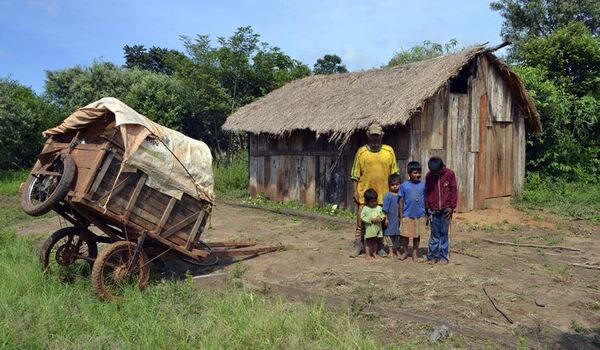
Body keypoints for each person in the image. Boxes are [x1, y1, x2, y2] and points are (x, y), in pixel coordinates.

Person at [350, 123, 399, 257]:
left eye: (377, 136)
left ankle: (380, 246)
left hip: (383, 194)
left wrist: (394, 194)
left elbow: (394, 174)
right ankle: (358, 244)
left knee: (382, 222)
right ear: (368, 135)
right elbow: (355, 174)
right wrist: (355, 191)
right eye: (373, 136)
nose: (375, 139)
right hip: (365, 194)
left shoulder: (388, 151)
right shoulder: (362, 152)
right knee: (361, 221)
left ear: (382, 135)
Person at [424, 157, 457, 265]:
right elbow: (427, 192)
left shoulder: (450, 174)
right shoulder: (429, 176)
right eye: (433, 172)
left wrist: (452, 207)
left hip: (446, 209)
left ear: (442, 167)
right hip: (433, 210)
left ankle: (443, 256)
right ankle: (432, 256)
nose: (435, 174)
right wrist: (427, 207)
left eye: (437, 172)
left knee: (444, 233)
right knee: (434, 235)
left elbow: (453, 190)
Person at [398, 161, 426, 262]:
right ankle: (405, 252)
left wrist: (425, 213)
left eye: (419, 172)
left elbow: (425, 199)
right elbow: (401, 200)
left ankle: (415, 253)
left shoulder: (423, 185)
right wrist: (401, 214)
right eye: (415, 172)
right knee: (405, 235)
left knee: (417, 235)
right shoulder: (404, 186)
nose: (417, 175)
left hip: (419, 215)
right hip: (407, 214)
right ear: (409, 174)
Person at [360, 189, 385, 260]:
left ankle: (374, 253)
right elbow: (362, 217)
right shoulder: (365, 208)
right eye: (372, 202)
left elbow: (383, 214)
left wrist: (380, 218)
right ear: (367, 201)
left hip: (377, 228)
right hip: (369, 229)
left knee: (375, 241)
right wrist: (370, 219)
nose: (374, 203)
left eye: (375, 201)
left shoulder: (379, 208)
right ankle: (367, 254)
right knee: (368, 241)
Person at [382, 174, 402, 258]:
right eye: (393, 185)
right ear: (389, 185)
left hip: (397, 219)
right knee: (389, 235)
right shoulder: (388, 195)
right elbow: (385, 208)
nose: (395, 187)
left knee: (397, 235)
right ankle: (390, 251)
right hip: (390, 218)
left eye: (397, 185)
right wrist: (386, 218)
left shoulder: (400, 196)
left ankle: (397, 250)